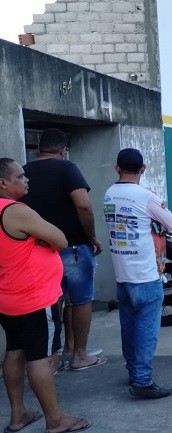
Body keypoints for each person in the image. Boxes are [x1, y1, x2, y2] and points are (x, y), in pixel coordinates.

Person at [0, 158, 92, 433]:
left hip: (7, 296)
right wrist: (42, 240)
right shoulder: (16, 211)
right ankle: (55, 420)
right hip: (33, 297)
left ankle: (18, 415)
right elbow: (61, 239)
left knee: (14, 350)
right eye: (20, 176)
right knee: (39, 356)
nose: (26, 179)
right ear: (3, 183)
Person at [21, 128, 105, 371]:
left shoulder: (23, 172)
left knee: (52, 302)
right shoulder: (67, 168)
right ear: (62, 150)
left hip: (39, 251)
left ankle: (54, 357)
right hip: (74, 247)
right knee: (81, 300)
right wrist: (91, 237)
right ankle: (79, 355)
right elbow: (83, 205)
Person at [104, 148, 172, 399]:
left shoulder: (109, 194)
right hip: (146, 275)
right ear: (143, 169)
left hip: (122, 276)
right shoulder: (146, 196)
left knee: (129, 326)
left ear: (117, 168)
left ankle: (132, 370)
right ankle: (143, 382)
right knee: (146, 330)